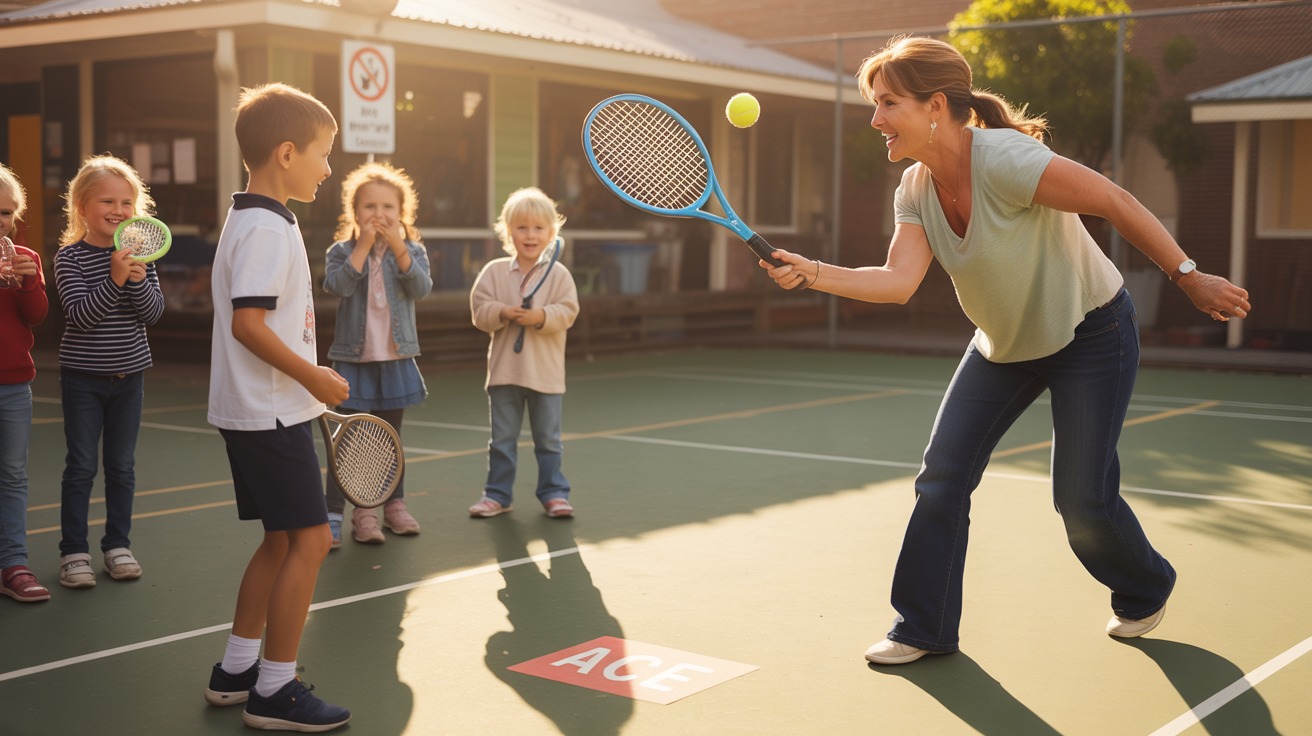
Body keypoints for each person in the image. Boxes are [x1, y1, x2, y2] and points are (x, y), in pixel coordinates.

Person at [761, 36, 1252, 666]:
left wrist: (1189, 276)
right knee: (941, 478)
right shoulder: (915, 186)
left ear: (934, 105)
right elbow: (898, 281)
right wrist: (814, 271)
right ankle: (923, 627)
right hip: (1002, 344)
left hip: (1091, 333)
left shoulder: (1006, 159)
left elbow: (1114, 201)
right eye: (874, 105)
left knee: (1081, 500)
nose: (875, 119)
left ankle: (1145, 585)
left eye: (887, 104)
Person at [202, 82, 352, 732]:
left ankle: (236, 670)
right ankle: (275, 689)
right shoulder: (265, 227)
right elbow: (250, 326)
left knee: (280, 539)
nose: (328, 168)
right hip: (270, 410)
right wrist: (314, 378)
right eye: (323, 154)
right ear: (286, 154)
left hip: (260, 408)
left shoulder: (251, 216)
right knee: (313, 540)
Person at [53, 155, 165, 589]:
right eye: (107, 201)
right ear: (82, 207)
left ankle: (118, 544)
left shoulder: (143, 255)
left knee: (122, 466)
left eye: (126, 202)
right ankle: (73, 553)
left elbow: (153, 315)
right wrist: (115, 279)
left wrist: (135, 280)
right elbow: (80, 317)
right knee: (81, 466)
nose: (118, 210)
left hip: (130, 377)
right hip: (82, 379)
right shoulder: (70, 258)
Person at [322, 162, 432, 547]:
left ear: (402, 214)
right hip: (353, 362)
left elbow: (421, 288)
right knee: (348, 442)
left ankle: (390, 507)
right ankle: (337, 514)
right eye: (370, 207)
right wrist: (364, 246)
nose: (379, 215)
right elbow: (336, 286)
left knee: (390, 441)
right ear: (355, 213)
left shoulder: (412, 250)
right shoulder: (341, 251)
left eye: (388, 207)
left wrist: (400, 248)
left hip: (396, 361)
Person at [469, 187, 579, 519]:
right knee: (502, 441)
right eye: (521, 227)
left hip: (546, 376)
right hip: (504, 374)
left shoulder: (559, 274)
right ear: (508, 232)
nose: (530, 235)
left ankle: (554, 493)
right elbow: (479, 310)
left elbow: (568, 311)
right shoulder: (494, 271)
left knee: (548, 441)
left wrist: (541, 316)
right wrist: (502, 312)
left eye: (538, 228)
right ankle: (498, 495)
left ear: (551, 233)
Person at [0, 164, 51, 603]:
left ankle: (14, 563)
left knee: (13, 475)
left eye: (8, 211)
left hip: (14, 385)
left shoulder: (25, 256)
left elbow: (37, 316)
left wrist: (28, 283)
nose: (2, 219)